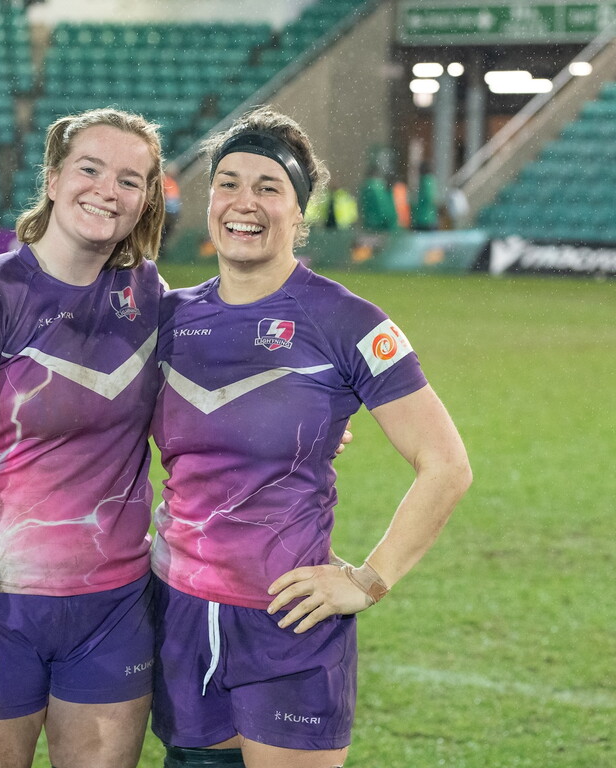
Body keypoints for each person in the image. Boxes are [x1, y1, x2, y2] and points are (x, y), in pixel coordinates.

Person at [149, 106, 472, 768]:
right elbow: (85, 425)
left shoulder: (347, 321)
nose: (244, 202)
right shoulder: (169, 318)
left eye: (269, 187)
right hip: (176, 612)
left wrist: (370, 579)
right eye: (228, 183)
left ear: (300, 212)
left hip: (287, 621)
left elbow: (445, 464)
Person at [0, 107, 167, 768]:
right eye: (90, 169)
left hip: (115, 609)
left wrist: (303, 430)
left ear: (145, 200)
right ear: (52, 180)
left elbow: (201, 398)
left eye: (129, 180)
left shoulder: (148, 295)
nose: (107, 191)